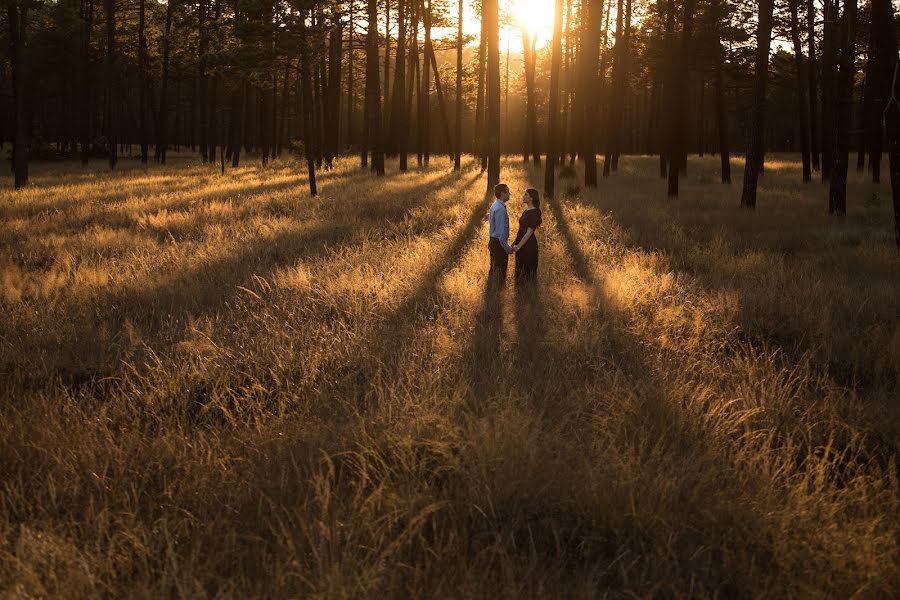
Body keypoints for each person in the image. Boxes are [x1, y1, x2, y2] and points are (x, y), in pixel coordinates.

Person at [512, 188, 542, 282]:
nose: (523, 196)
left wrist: (518, 246)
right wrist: (514, 243)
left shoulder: (535, 212)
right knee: (519, 271)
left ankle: (529, 293)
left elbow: (529, 232)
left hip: (528, 245)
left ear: (531, 198)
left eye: (526, 195)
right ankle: (521, 294)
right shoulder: (526, 211)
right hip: (521, 243)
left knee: (527, 272)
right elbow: (521, 230)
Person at [488, 183, 513, 283]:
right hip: (498, 246)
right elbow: (500, 233)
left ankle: (493, 294)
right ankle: (497, 295)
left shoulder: (495, 205)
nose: (509, 194)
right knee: (500, 275)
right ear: (503, 193)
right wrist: (507, 248)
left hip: (494, 243)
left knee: (494, 271)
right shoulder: (500, 209)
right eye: (508, 192)